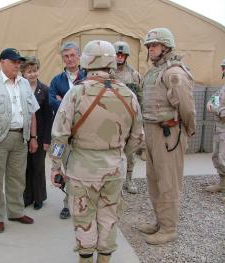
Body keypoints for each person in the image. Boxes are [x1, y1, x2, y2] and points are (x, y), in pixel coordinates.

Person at [50, 40, 144, 263]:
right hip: (114, 168)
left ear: (85, 63)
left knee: (84, 217)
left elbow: (59, 136)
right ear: (112, 62)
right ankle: (104, 259)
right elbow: (138, 137)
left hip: (82, 169)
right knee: (109, 216)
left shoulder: (75, 93)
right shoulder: (128, 95)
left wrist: (55, 166)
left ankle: (85, 258)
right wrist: (118, 153)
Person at [137, 28, 196, 245]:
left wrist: (188, 130)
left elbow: (188, 107)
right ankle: (160, 222)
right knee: (154, 181)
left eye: (154, 45)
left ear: (166, 46)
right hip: (153, 130)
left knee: (168, 182)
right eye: (149, 46)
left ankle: (169, 228)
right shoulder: (155, 72)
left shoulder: (174, 73)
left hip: (168, 133)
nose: (150, 49)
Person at [0, 48, 40, 233]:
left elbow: (32, 112)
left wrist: (33, 137)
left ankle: (16, 211)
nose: (17, 65)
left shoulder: (24, 84)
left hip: (21, 138)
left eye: (18, 62)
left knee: (17, 177)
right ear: (2, 62)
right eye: (13, 62)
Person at [48, 41, 86, 219]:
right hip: (63, 134)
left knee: (81, 170)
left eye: (72, 55)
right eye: (66, 56)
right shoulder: (57, 80)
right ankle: (67, 204)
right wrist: (68, 104)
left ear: (79, 56)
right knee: (64, 167)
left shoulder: (87, 77)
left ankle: (84, 202)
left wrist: (63, 101)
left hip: (82, 133)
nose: (69, 59)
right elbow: (51, 101)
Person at [20, 56, 52, 210]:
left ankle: (39, 197)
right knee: (25, 166)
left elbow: (48, 117)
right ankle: (27, 196)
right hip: (23, 134)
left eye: (35, 71)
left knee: (38, 166)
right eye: (29, 71)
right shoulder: (19, 88)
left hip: (39, 135)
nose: (32, 74)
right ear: (23, 73)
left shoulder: (45, 90)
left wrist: (46, 140)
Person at [113, 41, 143, 194]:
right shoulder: (108, 73)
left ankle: (129, 180)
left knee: (130, 153)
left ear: (126, 56)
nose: (119, 57)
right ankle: (114, 181)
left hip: (129, 120)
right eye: (117, 54)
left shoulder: (133, 75)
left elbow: (140, 97)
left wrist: (139, 120)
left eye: (122, 54)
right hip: (111, 119)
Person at [205, 58, 225, 196]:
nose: (223, 70)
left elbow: (218, 109)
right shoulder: (223, 88)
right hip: (219, 129)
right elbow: (212, 101)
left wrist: (217, 110)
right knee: (217, 156)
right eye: (223, 67)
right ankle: (223, 184)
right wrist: (213, 106)